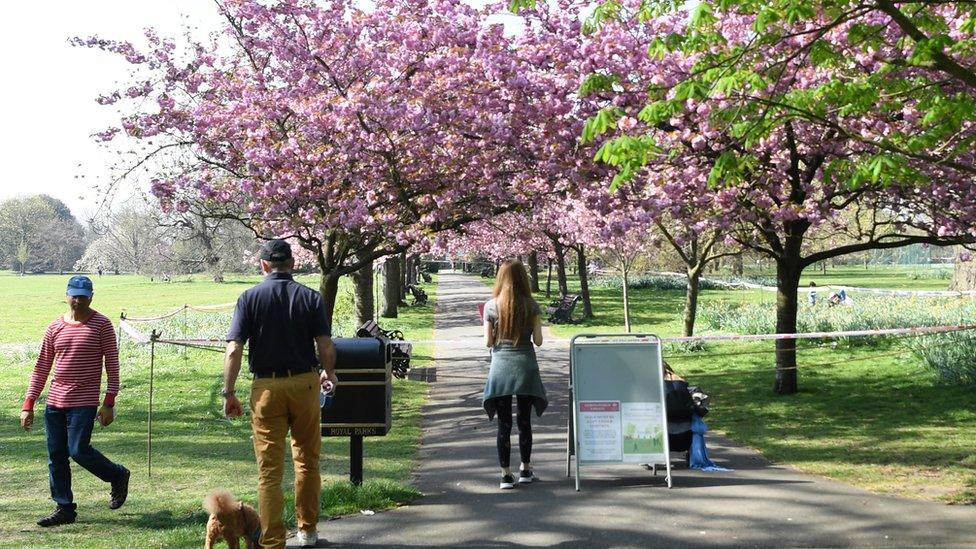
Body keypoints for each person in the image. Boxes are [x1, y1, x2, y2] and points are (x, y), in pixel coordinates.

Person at [223, 239, 337, 549]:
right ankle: (307, 529)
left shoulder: (248, 298)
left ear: (263, 266)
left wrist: (229, 392)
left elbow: (234, 349)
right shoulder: (311, 298)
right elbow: (325, 344)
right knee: (307, 461)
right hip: (305, 384)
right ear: (292, 264)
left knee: (270, 470)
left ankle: (272, 540)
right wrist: (329, 371)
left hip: (267, 388)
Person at [20, 275, 130, 527]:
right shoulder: (54, 327)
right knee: (56, 456)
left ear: (91, 297)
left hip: (84, 401)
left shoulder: (102, 325)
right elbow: (41, 368)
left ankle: (117, 474)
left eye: (83, 296)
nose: (78, 300)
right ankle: (64, 508)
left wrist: (109, 402)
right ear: (66, 295)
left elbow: (112, 366)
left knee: (78, 450)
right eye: (74, 295)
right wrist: (29, 404)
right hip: (55, 402)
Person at [481, 260, 547, 490]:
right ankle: (525, 469)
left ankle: (505, 474)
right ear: (523, 279)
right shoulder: (532, 306)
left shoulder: (491, 307)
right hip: (525, 366)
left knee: (504, 424)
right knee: (525, 421)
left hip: (501, 367)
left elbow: (488, 342)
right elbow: (538, 341)